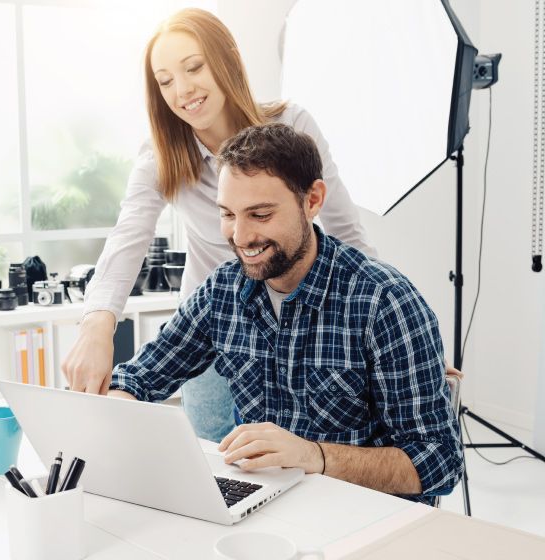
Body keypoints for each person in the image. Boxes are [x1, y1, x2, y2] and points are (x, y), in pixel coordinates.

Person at [61, 8, 375, 443]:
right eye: (165, 81)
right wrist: (97, 327)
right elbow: (128, 237)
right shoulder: (161, 157)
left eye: (193, 67)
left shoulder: (291, 125)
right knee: (214, 457)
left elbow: (346, 231)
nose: (183, 90)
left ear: (225, 59)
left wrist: (392, 330)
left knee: (295, 453)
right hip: (214, 326)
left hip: (296, 319)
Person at [107, 123, 463, 502]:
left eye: (260, 214)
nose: (240, 237)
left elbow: (440, 462)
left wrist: (314, 456)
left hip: (363, 516)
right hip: (270, 508)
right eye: (228, 214)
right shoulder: (222, 290)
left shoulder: (385, 301)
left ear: (312, 200)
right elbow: (137, 379)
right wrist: (115, 409)